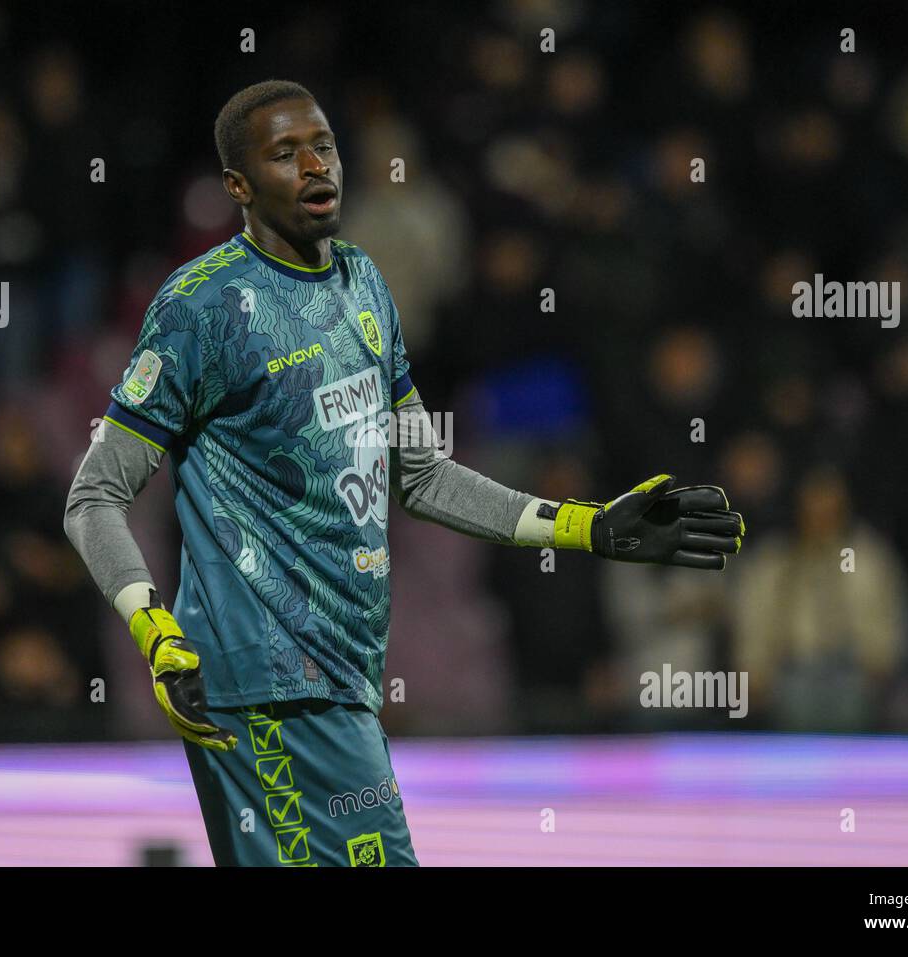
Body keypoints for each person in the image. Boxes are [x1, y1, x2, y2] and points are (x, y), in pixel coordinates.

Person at [64, 79, 745, 867]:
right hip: (260, 684)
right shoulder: (201, 309)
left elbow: (422, 476)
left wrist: (584, 523)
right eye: (285, 154)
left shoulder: (363, 285)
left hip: (342, 681)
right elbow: (93, 496)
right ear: (239, 187)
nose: (315, 165)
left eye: (323, 144)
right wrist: (156, 631)